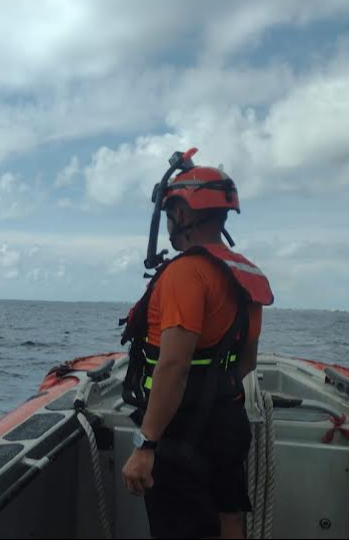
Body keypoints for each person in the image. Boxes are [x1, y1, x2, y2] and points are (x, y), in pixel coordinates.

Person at [119, 160, 274, 539]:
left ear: (183, 213)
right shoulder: (247, 276)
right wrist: (214, 394)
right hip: (227, 422)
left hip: (181, 432)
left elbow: (173, 365)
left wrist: (146, 443)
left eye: (171, 213)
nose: (169, 222)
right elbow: (247, 362)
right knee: (229, 520)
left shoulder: (185, 273)